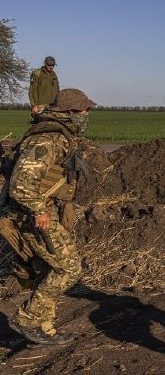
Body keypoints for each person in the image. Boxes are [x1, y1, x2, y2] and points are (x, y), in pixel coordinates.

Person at [0, 88, 95, 345]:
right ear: (71, 113)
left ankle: (45, 327)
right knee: (68, 268)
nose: (88, 115)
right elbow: (21, 184)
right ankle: (27, 318)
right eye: (85, 110)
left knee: (47, 270)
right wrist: (40, 210)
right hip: (31, 214)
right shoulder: (48, 139)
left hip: (36, 211)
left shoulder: (58, 135)